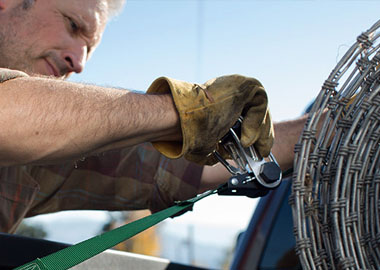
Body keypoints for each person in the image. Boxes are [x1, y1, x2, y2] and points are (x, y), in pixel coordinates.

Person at [0, 0, 305, 233]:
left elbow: (192, 168)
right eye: (73, 25)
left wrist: (323, 129)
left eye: (89, 50)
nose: (79, 62)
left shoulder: (42, 154)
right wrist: (188, 110)